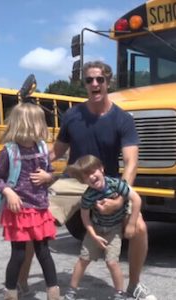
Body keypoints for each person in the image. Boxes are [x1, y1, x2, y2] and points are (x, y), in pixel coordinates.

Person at [50, 60, 156, 300]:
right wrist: (26, 164)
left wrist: (119, 198)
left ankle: (134, 285)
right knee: (34, 217)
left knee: (139, 227)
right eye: (89, 80)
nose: (94, 84)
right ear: (84, 84)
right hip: (74, 183)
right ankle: (20, 284)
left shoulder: (122, 119)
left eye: (100, 79)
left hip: (106, 184)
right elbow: (55, 152)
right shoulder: (72, 116)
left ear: (108, 82)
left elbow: (131, 162)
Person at [0, 102, 61, 300]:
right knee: (19, 255)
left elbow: (51, 172)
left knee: (44, 253)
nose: (43, 126)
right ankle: (11, 293)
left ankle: (53, 293)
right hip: (18, 211)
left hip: (39, 209)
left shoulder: (42, 148)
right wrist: (9, 193)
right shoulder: (9, 151)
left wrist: (48, 177)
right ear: (28, 124)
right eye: (40, 122)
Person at [63, 155, 141, 300]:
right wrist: (93, 235)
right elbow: (85, 217)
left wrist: (131, 224)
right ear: (83, 181)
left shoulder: (117, 184)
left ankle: (119, 293)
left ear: (101, 169)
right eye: (86, 176)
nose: (91, 177)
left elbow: (137, 199)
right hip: (97, 228)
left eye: (93, 172)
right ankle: (72, 290)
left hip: (114, 230)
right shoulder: (88, 195)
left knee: (112, 262)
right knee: (83, 259)